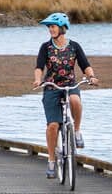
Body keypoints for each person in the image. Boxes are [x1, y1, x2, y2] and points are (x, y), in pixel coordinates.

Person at [33, 11, 98, 179]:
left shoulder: (74, 46)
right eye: (49, 27)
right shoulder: (45, 47)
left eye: (53, 27)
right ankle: (52, 162)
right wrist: (38, 80)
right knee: (53, 126)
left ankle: (76, 131)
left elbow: (85, 65)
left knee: (75, 100)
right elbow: (39, 66)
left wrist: (91, 77)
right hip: (51, 87)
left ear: (62, 27)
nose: (50, 30)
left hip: (70, 85)